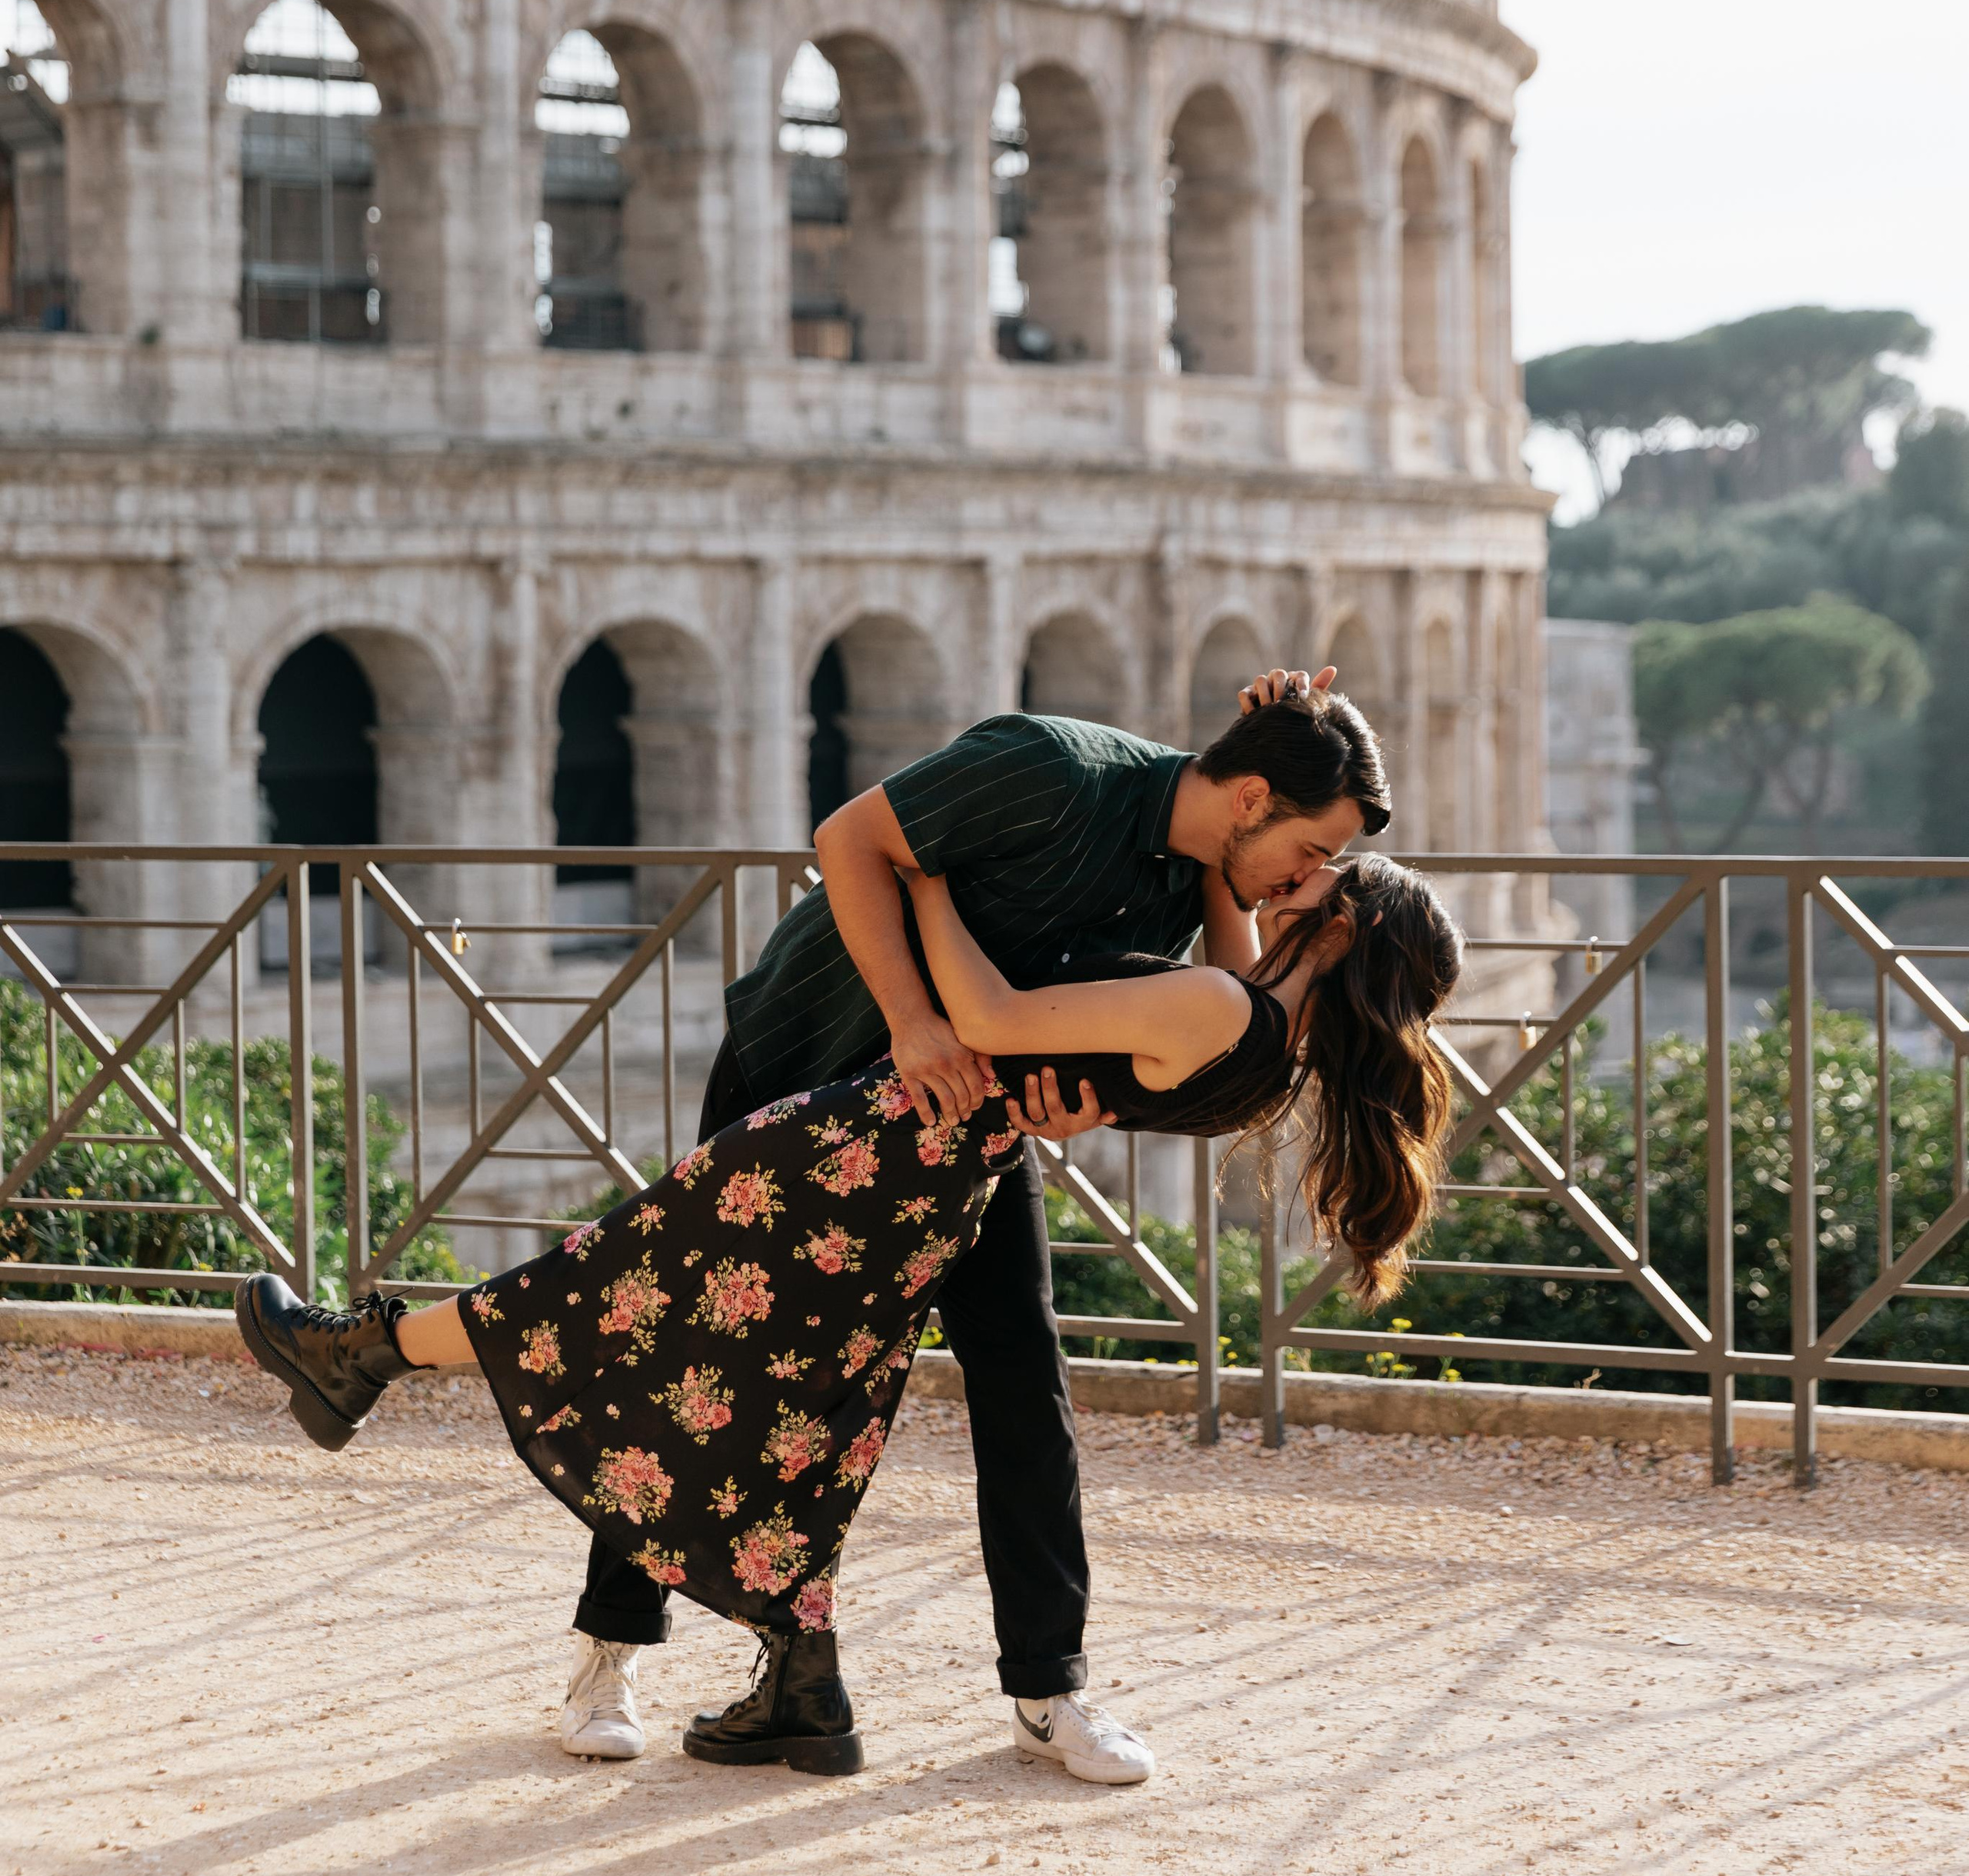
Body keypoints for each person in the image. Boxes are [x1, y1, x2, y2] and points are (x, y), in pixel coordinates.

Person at [273, 671, 1388, 1781]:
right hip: (802, 1067)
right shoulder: (1053, 766)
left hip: (957, 1143)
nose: (1312, 878)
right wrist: (911, 1024)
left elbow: (1210, 1009)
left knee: (1021, 1374)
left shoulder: (1195, 877)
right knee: (685, 1354)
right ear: (1251, 801)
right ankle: (609, 1657)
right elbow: (850, 839)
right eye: (1312, 848)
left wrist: (1079, 1098)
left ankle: (1050, 1693)